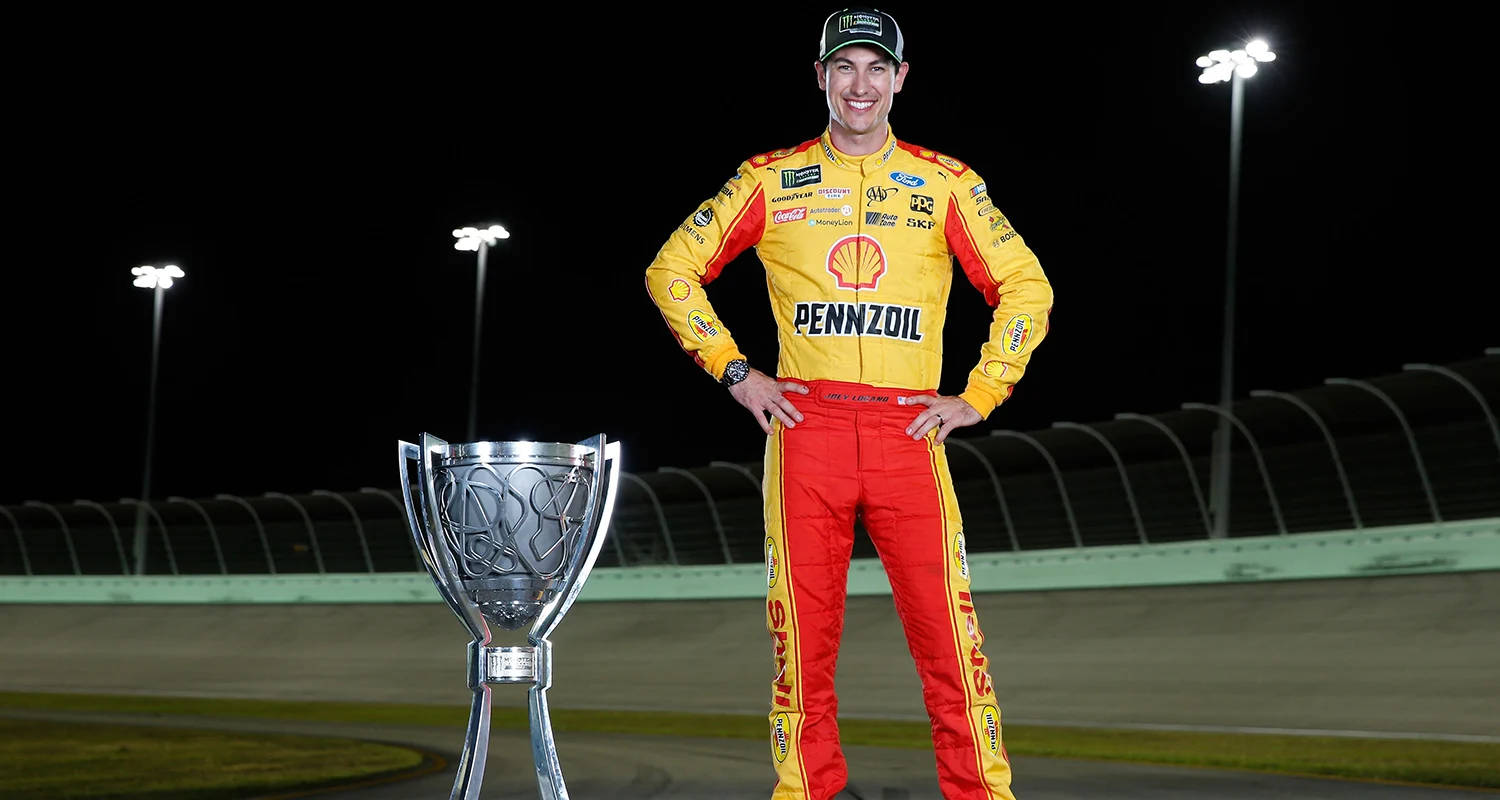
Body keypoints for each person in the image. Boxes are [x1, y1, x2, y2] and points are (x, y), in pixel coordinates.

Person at [643, 7, 1052, 799]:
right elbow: (670, 270)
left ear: (900, 79)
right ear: (821, 78)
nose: (859, 85)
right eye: (843, 68)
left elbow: (1026, 285)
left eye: (875, 69)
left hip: (909, 432)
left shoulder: (946, 183)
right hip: (805, 430)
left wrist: (982, 391)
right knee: (800, 648)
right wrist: (736, 372)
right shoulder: (768, 178)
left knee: (951, 647)